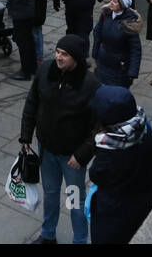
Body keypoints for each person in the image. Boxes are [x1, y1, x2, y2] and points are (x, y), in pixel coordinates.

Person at [18, 35, 101, 244]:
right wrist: (26, 136)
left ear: (76, 58)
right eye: (57, 51)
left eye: (64, 54)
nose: (58, 57)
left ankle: (80, 240)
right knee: (51, 193)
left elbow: (99, 127)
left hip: (72, 157)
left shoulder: (90, 85)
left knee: (74, 200)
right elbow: (32, 103)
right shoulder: (45, 70)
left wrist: (82, 155)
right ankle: (48, 235)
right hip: (46, 150)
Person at [88, 85, 152, 244]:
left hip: (114, 215)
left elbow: (95, 174)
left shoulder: (111, 150)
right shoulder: (143, 128)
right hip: (143, 202)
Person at [91, 0, 143, 88]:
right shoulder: (106, 15)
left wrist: (132, 73)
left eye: (115, 1)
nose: (111, 3)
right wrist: (96, 56)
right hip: (102, 63)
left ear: (122, 5)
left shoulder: (130, 23)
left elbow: (135, 49)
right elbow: (97, 35)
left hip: (119, 68)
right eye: (111, 0)